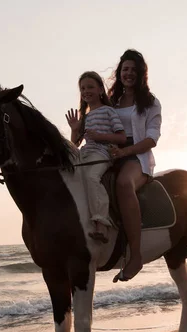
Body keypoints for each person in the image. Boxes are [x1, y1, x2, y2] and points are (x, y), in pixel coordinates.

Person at [107, 49, 162, 282]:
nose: (128, 73)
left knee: (122, 184)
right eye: (124, 69)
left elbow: (151, 139)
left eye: (133, 70)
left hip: (136, 157)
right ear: (119, 73)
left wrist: (126, 151)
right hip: (109, 154)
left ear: (141, 74)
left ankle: (136, 256)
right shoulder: (110, 101)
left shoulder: (150, 103)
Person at [66, 71, 126, 243]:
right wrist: (75, 129)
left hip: (102, 152)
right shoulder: (85, 117)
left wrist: (101, 136)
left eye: (90, 87)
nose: (86, 91)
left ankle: (102, 223)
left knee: (92, 177)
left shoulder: (108, 111)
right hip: (85, 152)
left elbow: (121, 137)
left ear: (101, 89)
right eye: (83, 88)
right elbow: (74, 145)